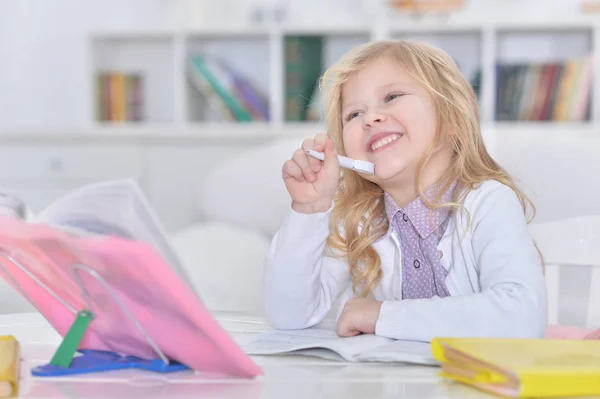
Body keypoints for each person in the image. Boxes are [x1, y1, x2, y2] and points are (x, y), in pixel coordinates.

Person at [262, 39, 549, 342]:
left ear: (451, 117)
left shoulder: (489, 202)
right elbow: (289, 317)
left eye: (392, 96)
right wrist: (309, 208)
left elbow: (522, 317)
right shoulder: (357, 221)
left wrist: (382, 316)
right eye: (353, 114)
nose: (370, 118)